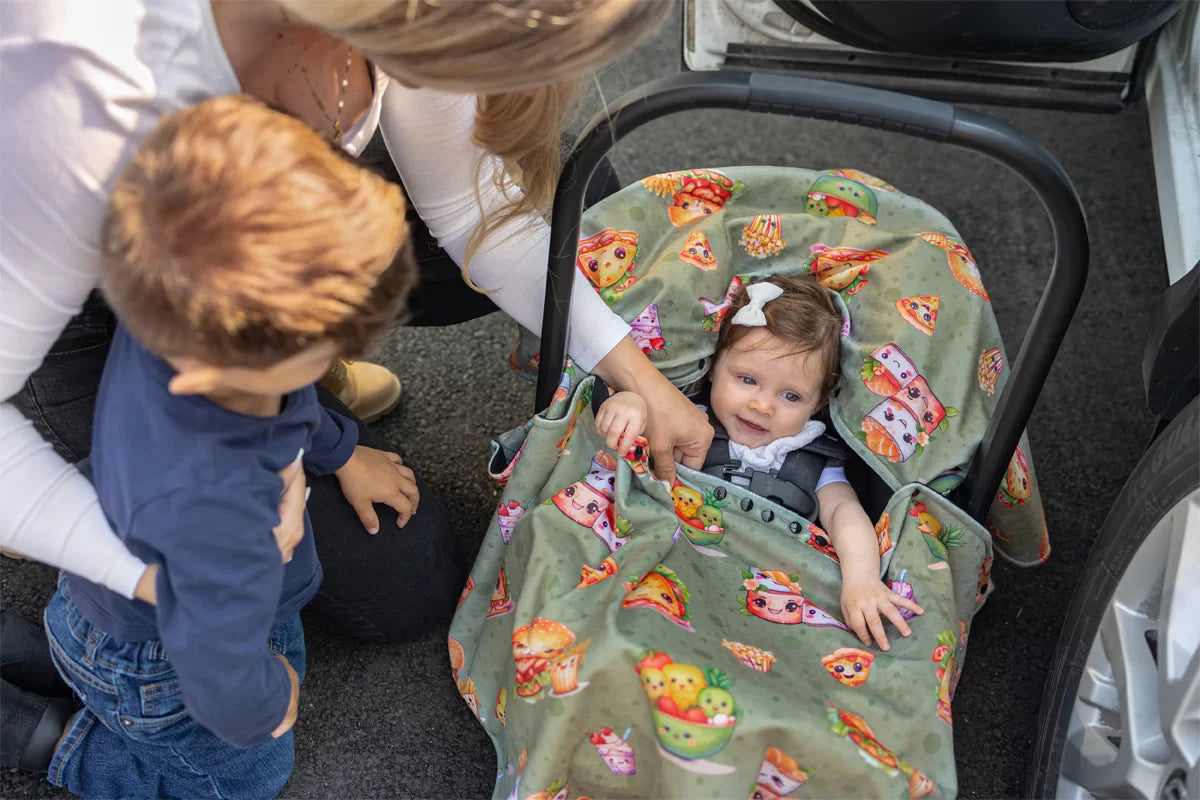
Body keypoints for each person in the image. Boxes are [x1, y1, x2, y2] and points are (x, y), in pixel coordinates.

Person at [0, 0, 707, 763]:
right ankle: (40, 736)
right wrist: (181, 583)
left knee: (576, 183)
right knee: (251, 753)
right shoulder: (86, 74)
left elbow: (473, 209)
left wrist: (634, 371)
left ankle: (278, 382)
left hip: (221, 292)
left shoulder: (394, 31)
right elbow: (226, 680)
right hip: (65, 300)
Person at [43, 95, 419, 798]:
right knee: (246, 778)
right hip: (158, 661)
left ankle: (55, 662)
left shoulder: (179, 312)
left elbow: (289, 404)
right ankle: (44, 740)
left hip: (140, 608)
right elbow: (214, 661)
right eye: (325, 348)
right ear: (215, 367)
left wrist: (337, 452)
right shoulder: (211, 505)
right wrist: (264, 703)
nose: (340, 359)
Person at [595, 275, 924, 650]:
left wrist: (862, 579)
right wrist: (630, 405)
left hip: (772, 596)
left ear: (818, 404)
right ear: (715, 366)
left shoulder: (816, 459)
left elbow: (845, 516)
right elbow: (637, 458)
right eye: (747, 379)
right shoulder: (685, 420)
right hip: (677, 571)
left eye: (790, 395)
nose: (762, 406)